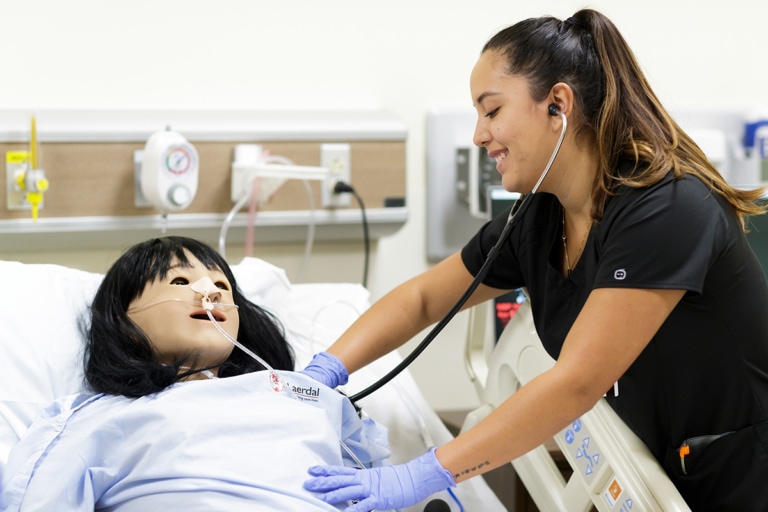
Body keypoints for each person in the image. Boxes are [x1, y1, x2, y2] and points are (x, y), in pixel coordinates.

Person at [300, 9, 768, 512]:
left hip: (743, 477)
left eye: (492, 110)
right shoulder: (541, 215)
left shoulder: (669, 209)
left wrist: (423, 472)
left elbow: (576, 382)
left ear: (558, 104)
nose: (479, 134)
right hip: (667, 466)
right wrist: (324, 370)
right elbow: (421, 299)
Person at [0, 236, 387, 511]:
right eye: (180, 281)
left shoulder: (302, 401)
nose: (211, 292)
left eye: (221, 284)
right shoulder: (97, 417)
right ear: (123, 319)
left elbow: (370, 490)